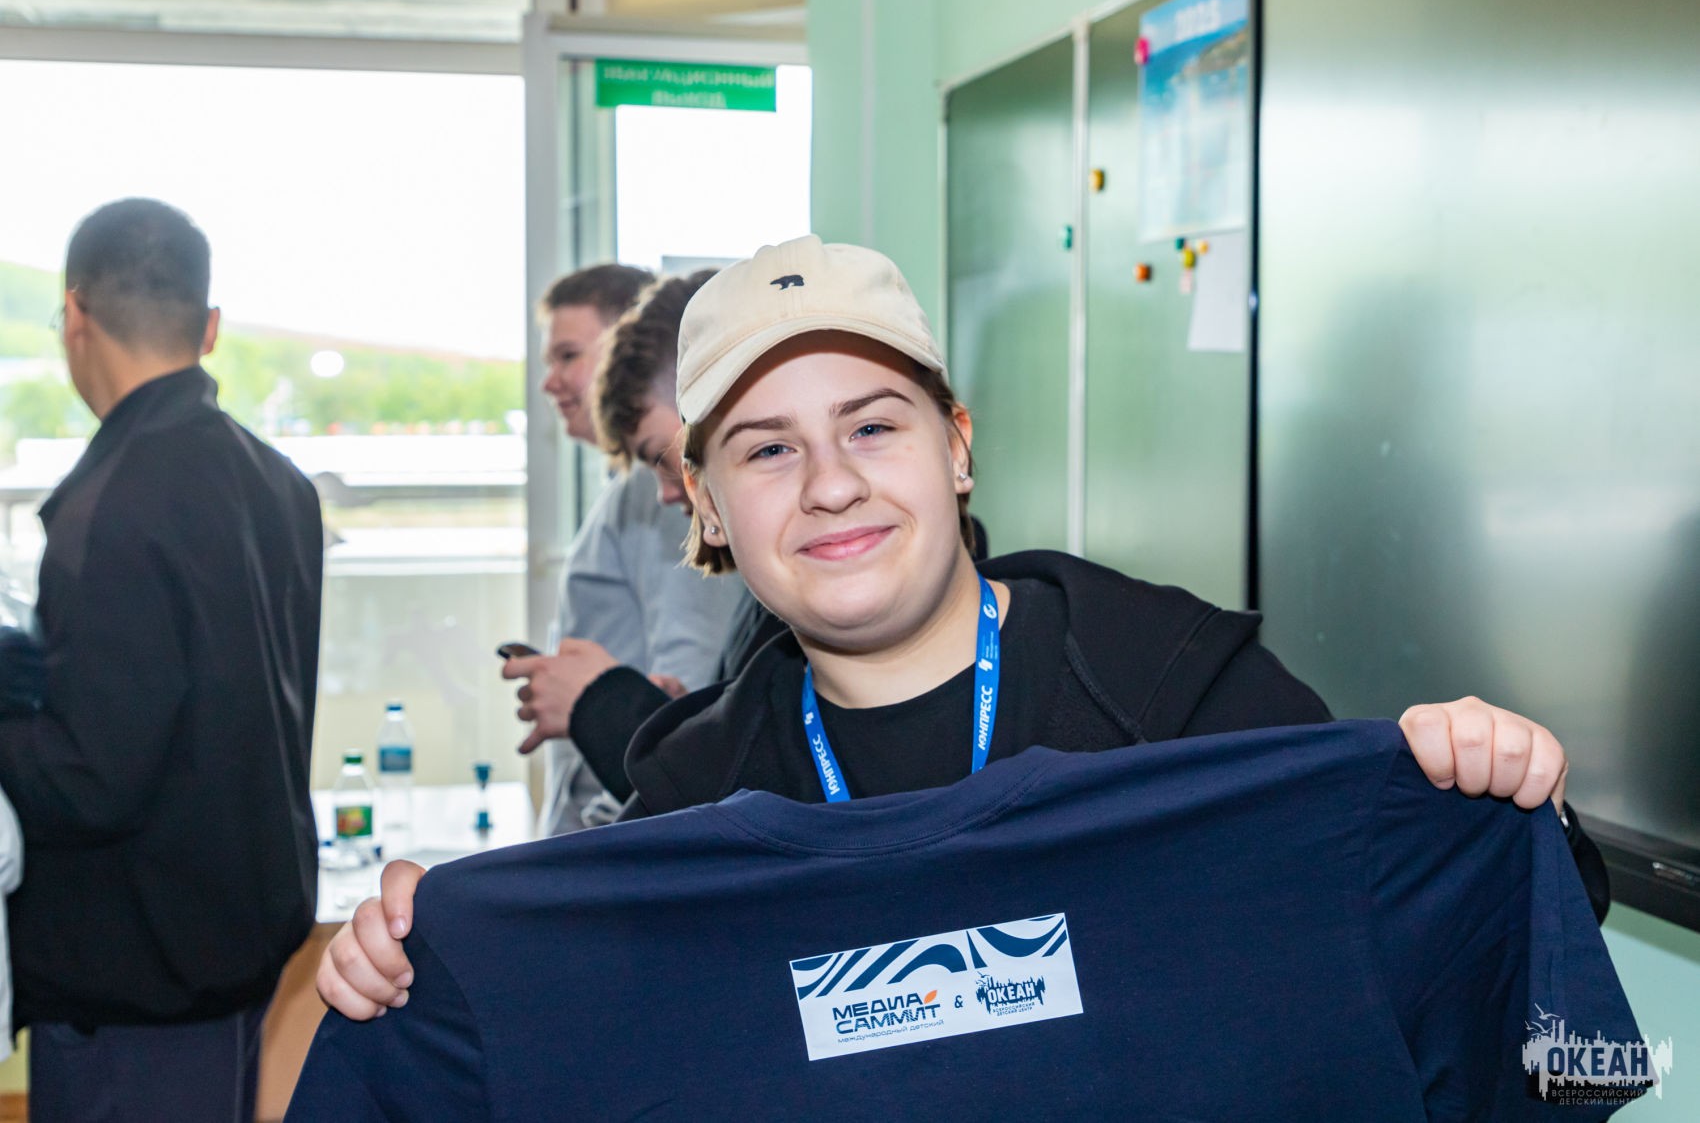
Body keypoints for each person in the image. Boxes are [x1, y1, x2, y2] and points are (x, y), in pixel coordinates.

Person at [315, 235, 1606, 1022]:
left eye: (874, 425)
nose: (831, 484)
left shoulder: (1175, 697)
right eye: (767, 449)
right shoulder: (692, 800)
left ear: (958, 446)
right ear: (703, 504)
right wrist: (421, 963)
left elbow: (1472, 941)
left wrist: (1498, 797)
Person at [0, 198, 323, 1120]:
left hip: (132, 974)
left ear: (74, 313)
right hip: (241, 935)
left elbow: (89, 777)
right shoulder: (280, 483)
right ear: (208, 325)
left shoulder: (109, 503)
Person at [526, 265, 744, 832]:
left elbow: (692, 688)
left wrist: (596, 701)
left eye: (568, 356)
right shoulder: (637, 489)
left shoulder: (664, 491)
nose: (550, 382)